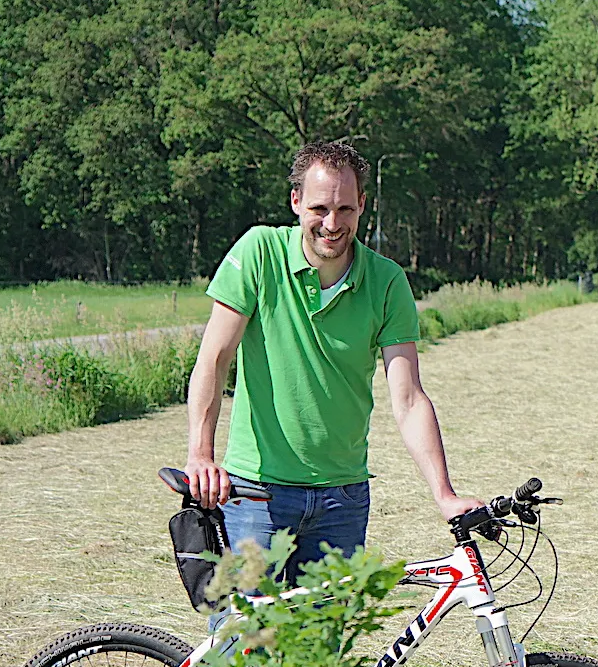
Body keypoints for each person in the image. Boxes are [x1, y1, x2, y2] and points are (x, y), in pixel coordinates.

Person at [186, 142, 482, 577]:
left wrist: (444, 494)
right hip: (256, 493)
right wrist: (201, 454)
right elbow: (214, 358)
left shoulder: (386, 281)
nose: (332, 223)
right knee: (247, 639)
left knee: (322, 644)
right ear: (296, 202)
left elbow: (409, 399)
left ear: (363, 204)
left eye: (345, 208)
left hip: (342, 500)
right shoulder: (258, 252)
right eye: (320, 207)